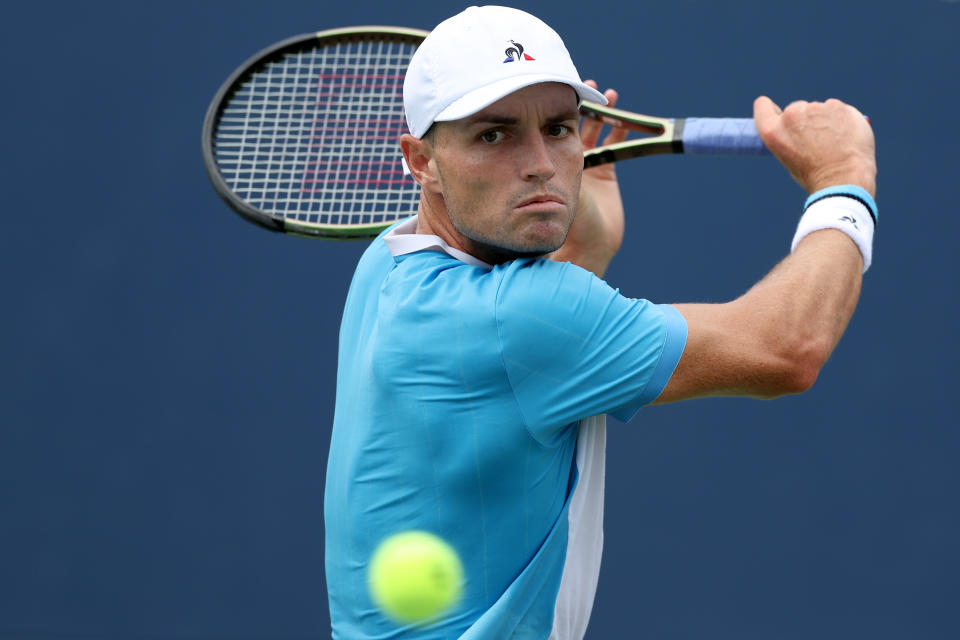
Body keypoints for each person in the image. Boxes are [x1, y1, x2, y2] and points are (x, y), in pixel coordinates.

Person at [324, 5, 877, 639]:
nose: (539, 163)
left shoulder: (385, 265)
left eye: (558, 129)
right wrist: (843, 181)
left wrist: (587, 249)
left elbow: (518, 380)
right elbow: (788, 349)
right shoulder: (521, 317)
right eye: (493, 135)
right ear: (421, 161)